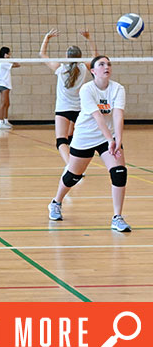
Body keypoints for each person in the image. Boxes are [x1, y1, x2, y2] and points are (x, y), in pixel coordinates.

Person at [47, 55, 131, 233]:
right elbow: (98, 117)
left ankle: (117, 217)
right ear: (93, 71)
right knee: (73, 176)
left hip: (108, 137)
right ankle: (56, 202)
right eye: (101, 64)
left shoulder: (118, 89)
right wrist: (111, 139)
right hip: (85, 136)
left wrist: (118, 140)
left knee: (119, 172)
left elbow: (117, 115)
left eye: (108, 64)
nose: (106, 66)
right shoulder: (86, 89)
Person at [40, 29, 97, 164]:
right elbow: (96, 57)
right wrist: (89, 38)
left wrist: (46, 38)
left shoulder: (60, 68)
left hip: (63, 109)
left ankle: (70, 166)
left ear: (67, 56)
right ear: (80, 56)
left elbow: (42, 54)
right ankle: (75, 165)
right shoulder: (84, 67)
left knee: (61, 141)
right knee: (72, 139)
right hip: (79, 110)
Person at [0, 47, 20, 129]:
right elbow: (17, 65)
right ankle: (1, 122)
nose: (9, 55)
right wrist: (11, 59)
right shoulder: (4, 62)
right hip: (4, 85)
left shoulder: (4, 62)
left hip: (6, 85)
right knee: (3, 104)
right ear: (5, 54)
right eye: (9, 53)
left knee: (7, 103)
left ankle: (5, 121)